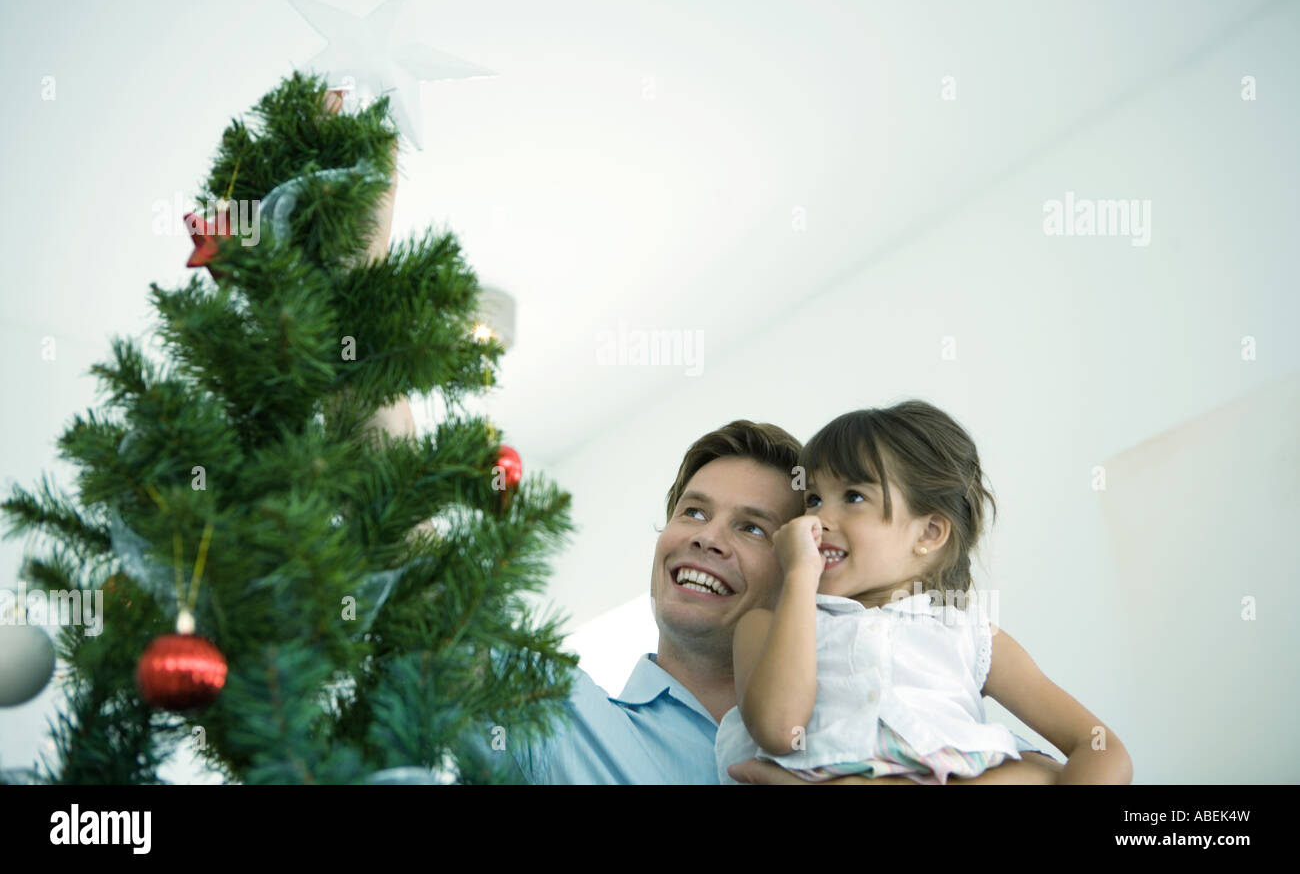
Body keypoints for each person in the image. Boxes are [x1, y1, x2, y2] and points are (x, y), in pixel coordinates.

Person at [338, 88, 1064, 783]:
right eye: (693, 510)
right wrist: (356, 282)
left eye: (753, 527)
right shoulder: (555, 722)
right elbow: (414, 559)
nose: (705, 536)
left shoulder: (906, 717)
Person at [715, 403, 1132, 785]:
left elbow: (1098, 747)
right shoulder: (767, 625)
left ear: (928, 533)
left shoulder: (969, 635)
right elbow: (780, 730)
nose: (819, 518)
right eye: (813, 499)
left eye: (854, 496)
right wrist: (800, 579)